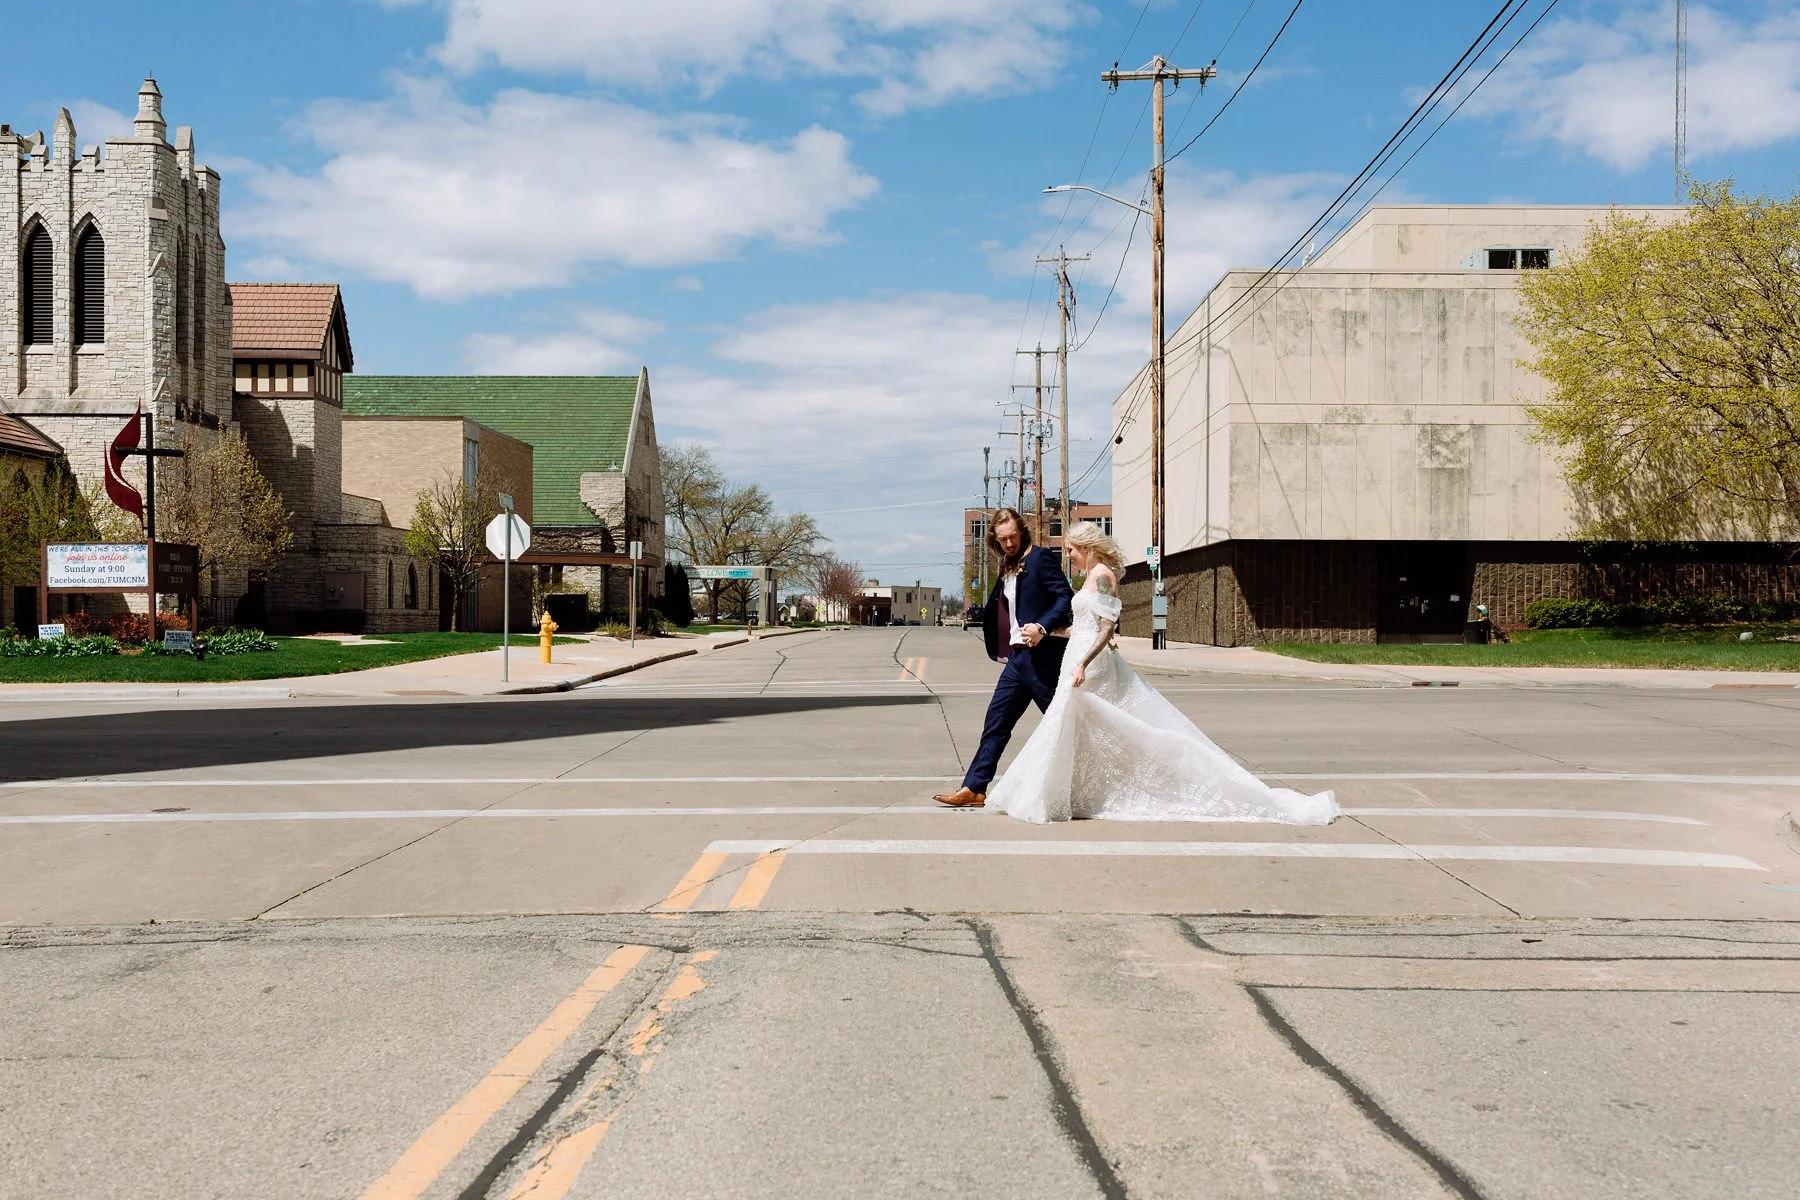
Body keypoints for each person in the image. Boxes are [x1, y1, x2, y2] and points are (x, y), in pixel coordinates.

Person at [983, 521, 1339, 825]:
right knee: (1079, 730)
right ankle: (1076, 793)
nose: (1069, 557)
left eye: (1072, 550)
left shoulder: (1104, 577)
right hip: (1075, 659)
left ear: (1086, 547)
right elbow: (1082, 626)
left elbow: (1108, 629)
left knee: (1107, 728)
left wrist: (1082, 664)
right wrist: (1046, 632)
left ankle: (1071, 793)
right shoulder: (1089, 577)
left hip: (1089, 666)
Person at [933, 508, 1073, 808]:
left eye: (1013, 537)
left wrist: (1042, 627)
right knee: (996, 722)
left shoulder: (1040, 559)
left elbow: (1065, 597)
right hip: (1016, 660)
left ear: (1022, 531)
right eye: (1003, 540)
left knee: (1062, 720)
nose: (1009, 544)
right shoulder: (1008, 564)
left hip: (1041, 658)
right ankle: (974, 788)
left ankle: (1087, 778)